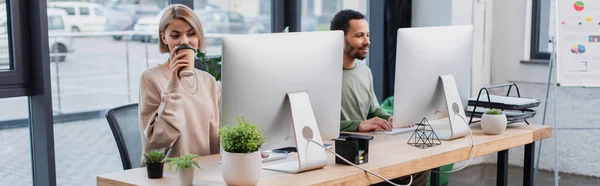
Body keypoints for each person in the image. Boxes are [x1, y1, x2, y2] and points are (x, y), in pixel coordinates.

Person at [330, 9, 430, 186]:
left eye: (367, 35)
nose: (367, 42)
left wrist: (390, 118)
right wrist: (358, 124)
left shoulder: (364, 71)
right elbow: (316, 126)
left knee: (421, 166)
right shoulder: (324, 73)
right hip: (339, 151)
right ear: (340, 38)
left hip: (368, 145)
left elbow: (373, 109)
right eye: (359, 36)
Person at [138, 4, 220, 164]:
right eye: (175, 36)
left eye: (191, 34)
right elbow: (159, 139)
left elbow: (222, 134)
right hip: (169, 174)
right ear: (164, 38)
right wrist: (174, 83)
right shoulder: (150, 79)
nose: (185, 41)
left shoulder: (208, 81)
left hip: (207, 171)